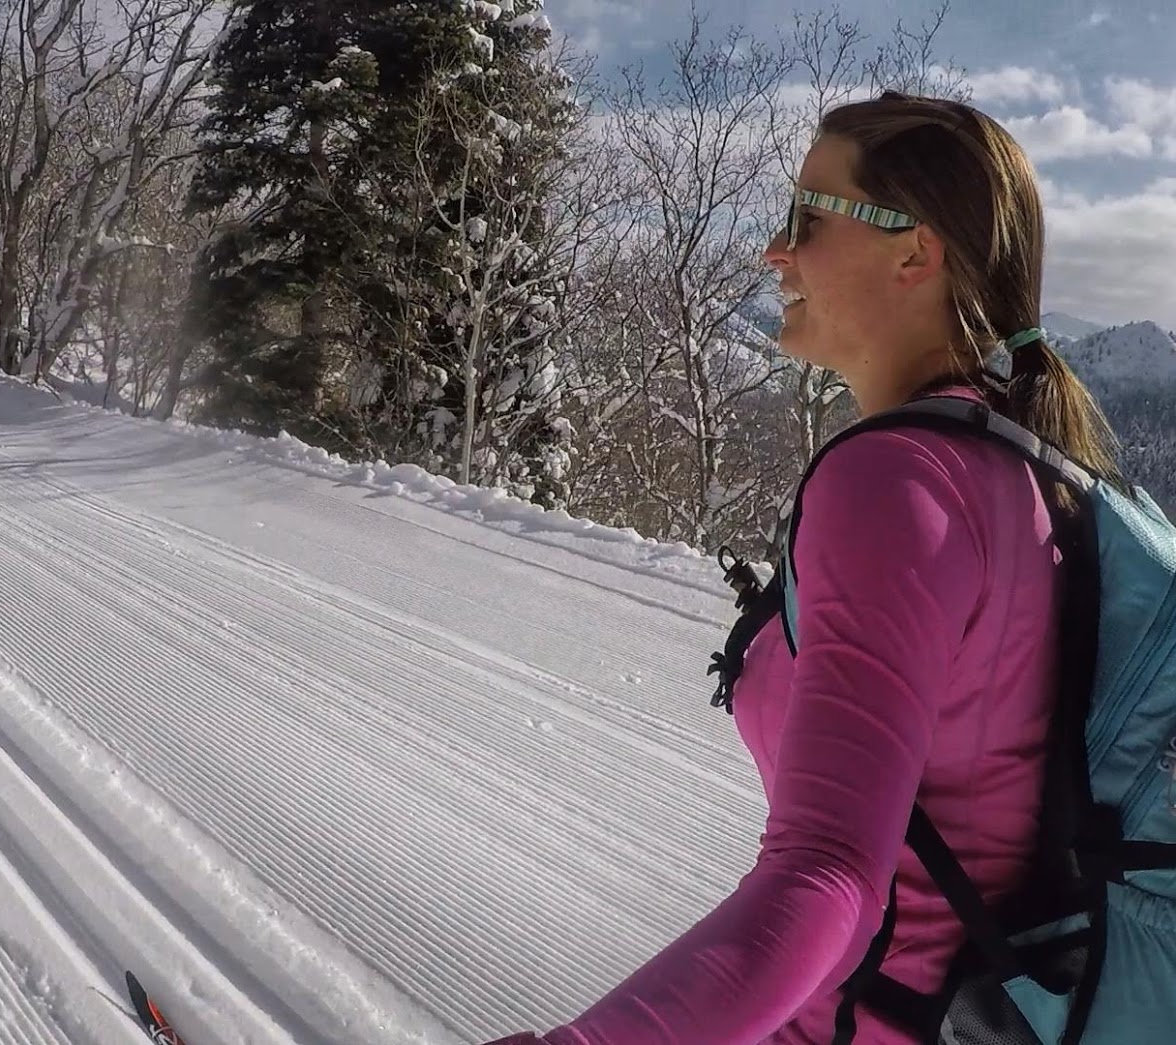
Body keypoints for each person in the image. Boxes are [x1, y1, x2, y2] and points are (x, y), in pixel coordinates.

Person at [481, 91, 1128, 1044]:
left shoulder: (897, 484)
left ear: (916, 251)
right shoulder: (1023, 475)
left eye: (806, 220)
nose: (773, 252)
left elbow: (830, 875)